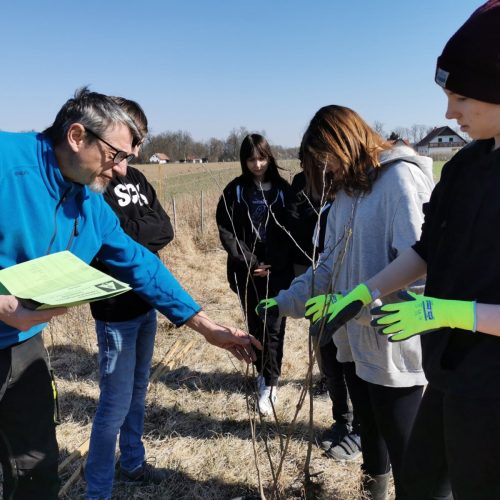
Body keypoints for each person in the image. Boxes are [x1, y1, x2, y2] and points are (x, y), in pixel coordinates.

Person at [0, 87, 261, 500]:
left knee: (35, 468)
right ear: (76, 136)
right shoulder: (5, 161)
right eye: (116, 155)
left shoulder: (89, 202)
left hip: (20, 345)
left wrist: (205, 326)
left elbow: (142, 265)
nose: (122, 170)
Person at [309, 3, 500, 499]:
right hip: (451, 375)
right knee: (419, 483)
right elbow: (426, 250)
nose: (449, 113)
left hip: (492, 388)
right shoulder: (465, 168)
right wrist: (363, 292)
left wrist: (441, 310)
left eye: (461, 96)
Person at [258, 105, 434, 499]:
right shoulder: (346, 197)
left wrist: (358, 305)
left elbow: (424, 274)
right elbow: (327, 270)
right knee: (372, 440)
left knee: (411, 454)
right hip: (355, 347)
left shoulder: (400, 182)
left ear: (343, 144)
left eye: (326, 165)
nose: (326, 176)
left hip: (395, 350)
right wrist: (285, 300)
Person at [84, 98, 174, 499]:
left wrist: (126, 235)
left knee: (139, 390)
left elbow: (165, 228)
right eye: (130, 141)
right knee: (114, 404)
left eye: (139, 142)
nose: (132, 152)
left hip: (146, 304)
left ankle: (133, 462)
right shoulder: (95, 183)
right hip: (114, 311)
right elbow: (105, 243)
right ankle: (98, 490)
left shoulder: (137, 179)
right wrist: (128, 236)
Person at [216, 134, 295, 416]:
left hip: (278, 271)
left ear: (269, 157)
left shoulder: (284, 191)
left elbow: (291, 232)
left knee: (274, 325)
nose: (257, 164)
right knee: (255, 323)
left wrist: (273, 262)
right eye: (251, 159)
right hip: (246, 272)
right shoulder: (234, 191)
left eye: (261, 158)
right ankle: (262, 372)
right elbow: (226, 231)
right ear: (244, 161)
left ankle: (271, 384)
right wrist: (250, 262)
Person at [290, 170, 360, 461]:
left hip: (347, 300)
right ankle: (340, 419)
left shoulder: (353, 206)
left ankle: (360, 428)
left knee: (351, 365)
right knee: (329, 362)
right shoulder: (318, 210)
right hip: (320, 295)